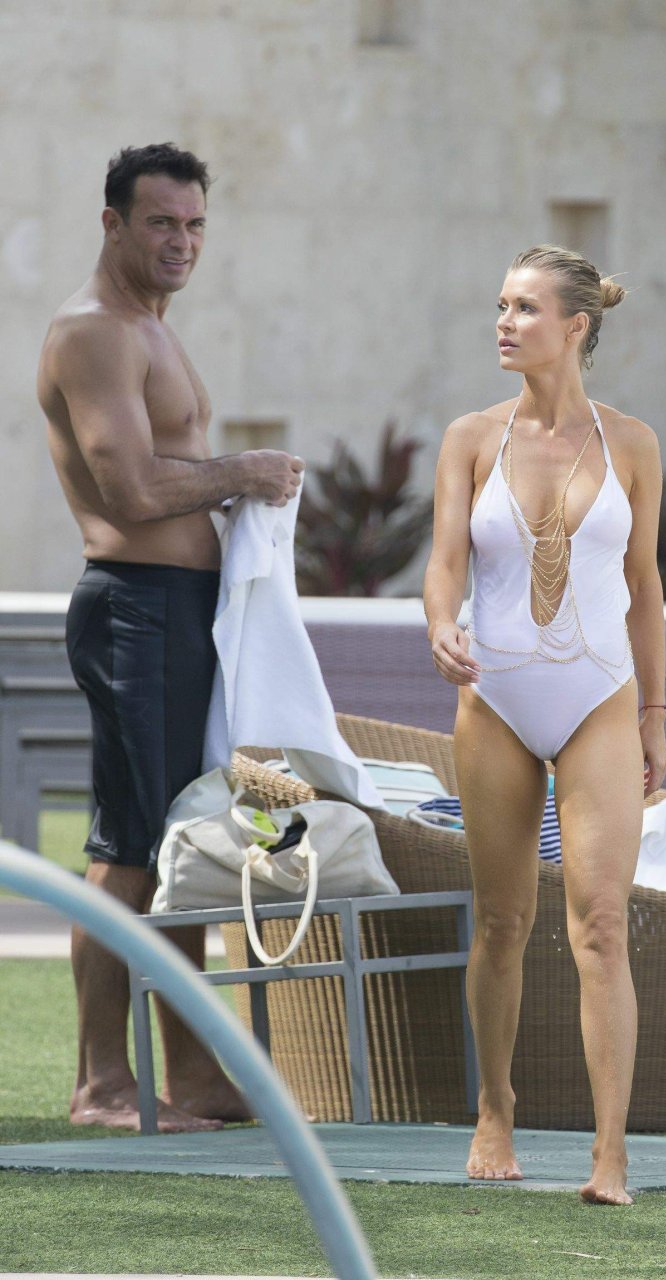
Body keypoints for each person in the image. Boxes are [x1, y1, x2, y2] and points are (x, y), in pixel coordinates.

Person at [37, 143, 304, 1132]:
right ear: (113, 224)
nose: (181, 241)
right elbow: (133, 490)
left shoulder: (151, 326)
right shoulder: (94, 332)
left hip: (179, 614)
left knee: (183, 843)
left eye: (194, 225)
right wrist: (243, 473)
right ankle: (102, 1083)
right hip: (135, 611)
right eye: (161, 223)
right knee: (130, 846)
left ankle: (189, 1072)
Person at [424, 245, 666, 1205]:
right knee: (503, 921)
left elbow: (645, 586)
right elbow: (445, 562)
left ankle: (611, 1155)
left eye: (525, 308)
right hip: (494, 700)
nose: (504, 321)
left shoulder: (633, 444)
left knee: (601, 926)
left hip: (600, 699)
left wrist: (654, 716)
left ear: (575, 326)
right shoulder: (470, 438)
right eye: (500, 305)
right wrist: (440, 623)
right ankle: (496, 1110)